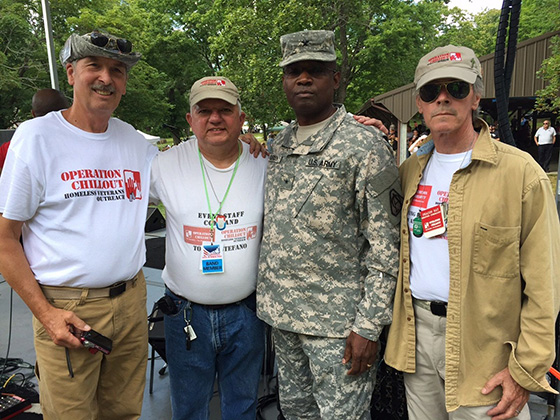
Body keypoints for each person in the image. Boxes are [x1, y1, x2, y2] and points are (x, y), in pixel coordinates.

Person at [382, 45, 560, 420]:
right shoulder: (410, 171)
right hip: (418, 341)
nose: (443, 98)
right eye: (431, 92)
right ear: (420, 102)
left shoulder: (521, 174)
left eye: (456, 88)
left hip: (486, 351)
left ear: (476, 95)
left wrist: (527, 368)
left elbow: (545, 285)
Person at [0, 30, 157, 419]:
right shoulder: (36, 138)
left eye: (117, 70)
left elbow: (191, 169)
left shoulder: (134, 142)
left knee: (124, 412)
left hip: (132, 301)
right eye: (94, 66)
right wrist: (46, 314)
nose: (106, 78)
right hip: (68, 307)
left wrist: (242, 146)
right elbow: (5, 239)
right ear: (70, 74)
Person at [257, 30, 401, 419]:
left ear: (334, 79)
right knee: (296, 413)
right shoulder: (277, 145)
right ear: (285, 80)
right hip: (283, 319)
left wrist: (369, 326)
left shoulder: (365, 145)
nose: (304, 79)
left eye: (316, 71)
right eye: (294, 72)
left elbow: (386, 246)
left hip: (338, 328)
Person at [149, 76, 267, 420]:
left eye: (225, 110)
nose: (215, 118)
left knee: (242, 406)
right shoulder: (163, 165)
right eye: (204, 110)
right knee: (188, 409)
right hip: (186, 313)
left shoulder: (265, 163)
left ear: (241, 118)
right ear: (191, 119)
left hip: (247, 312)